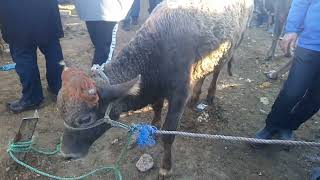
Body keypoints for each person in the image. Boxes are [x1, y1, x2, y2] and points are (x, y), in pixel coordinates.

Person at [255, 0, 320, 141]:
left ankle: (289, 126)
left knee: (316, 100)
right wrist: (292, 29)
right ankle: (272, 126)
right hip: (311, 44)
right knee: (292, 91)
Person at [0, 0, 64, 113]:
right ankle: (58, 87)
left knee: (24, 56)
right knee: (53, 51)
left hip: (17, 14)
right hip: (46, 11)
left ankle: (33, 98)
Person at [73, 0, 134, 66]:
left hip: (87, 8)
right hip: (109, 9)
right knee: (104, 53)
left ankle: (97, 70)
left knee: (100, 47)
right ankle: (101, 72)